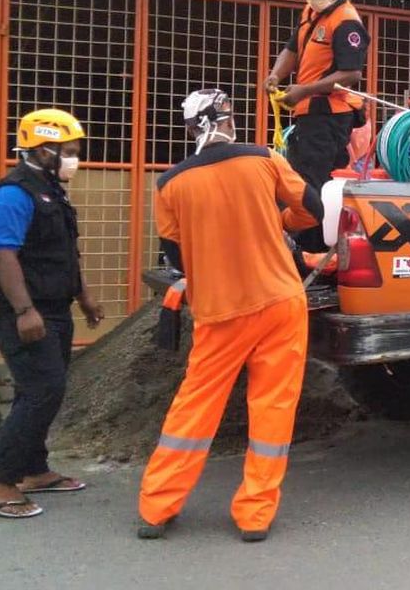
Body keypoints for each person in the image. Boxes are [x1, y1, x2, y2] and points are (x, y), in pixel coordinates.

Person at [137, 89, 323, 542]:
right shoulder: (263, 159)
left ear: (188, 129)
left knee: (195, 407)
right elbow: (313, 209)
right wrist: (279, 222)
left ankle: (157, 509)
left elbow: (176, 255)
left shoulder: (170, 185)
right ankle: (255, 515)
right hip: (281, 303)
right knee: (273, 409)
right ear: (229, 120)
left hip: (220, 314)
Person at [0, 109, 104, 519]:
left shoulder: (51, 190)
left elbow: (64, 251)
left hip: (54, 307)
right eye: (67, 152)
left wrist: (84, 296)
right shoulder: (12, 194)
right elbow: (2, 252)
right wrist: (24, 311)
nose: (74, 159)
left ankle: (33, 469)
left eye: (75, 151)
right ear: (41, 151)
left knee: (48, 388)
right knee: (42, 389)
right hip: (23, 312)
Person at [264, 0, 369, 204]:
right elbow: (292, 48)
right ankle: (308, 239)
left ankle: (314, 242)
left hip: (329, 117)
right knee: (302, 177)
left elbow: (351, 74)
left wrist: (304, 90)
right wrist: (275, 75)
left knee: (313, 184)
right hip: (310, 115)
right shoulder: (311, 12)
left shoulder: (346, 21)